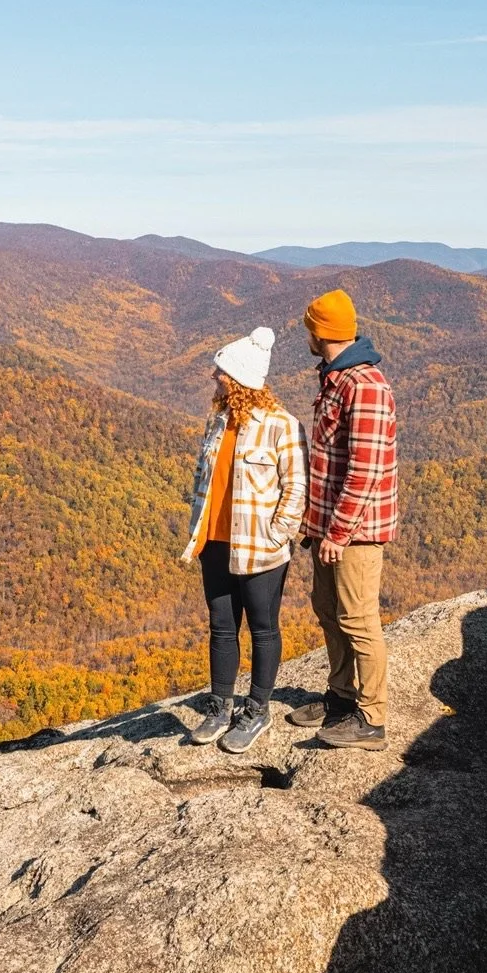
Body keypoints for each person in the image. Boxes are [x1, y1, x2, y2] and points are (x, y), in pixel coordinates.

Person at [181, 327, 308, 754]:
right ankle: (220, 707)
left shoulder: (281, 427)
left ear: (237, 379)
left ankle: (256, 708)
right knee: (221, 628)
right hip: (215, 543)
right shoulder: (217, 422)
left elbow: (296, 488)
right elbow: (207, 481)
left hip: (261, 547)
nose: (212, 375)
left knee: (262, 628)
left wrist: (278, 534)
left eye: (220, 371)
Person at [289, 288, 397, 750]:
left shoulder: (365, 385)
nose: (307, 336)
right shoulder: (336, 378)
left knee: (357, 618)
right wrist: (315, 526)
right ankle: (340, 696)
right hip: (330, 527)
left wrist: (336, 531)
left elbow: (365, 469)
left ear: (322, 332)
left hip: (355, 531)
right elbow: (329, 463)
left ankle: (371, 719)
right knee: (328, 611)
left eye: (310, 328)